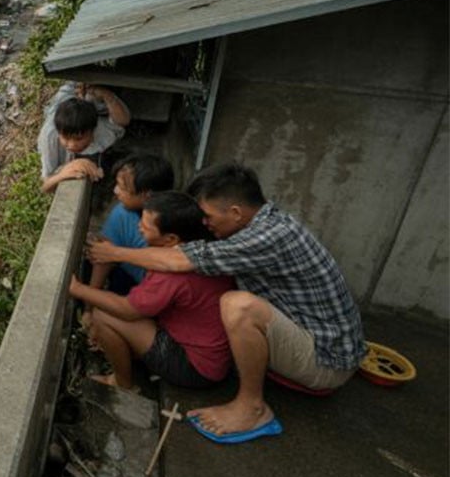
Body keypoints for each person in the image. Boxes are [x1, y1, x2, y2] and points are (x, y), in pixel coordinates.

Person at [87, 162, 367, 444]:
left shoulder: (264, 237)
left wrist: (114, 253)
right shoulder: (265, 221)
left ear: (235, 212)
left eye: (207, 215)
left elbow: (179, 258)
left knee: (238, 306)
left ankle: (252, 407)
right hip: (316, 339)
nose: (204, 223)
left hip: (327, 360)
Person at [70, 192, 234, 391]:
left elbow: (126, 309)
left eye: (146, 227)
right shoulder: (202, 250)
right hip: (212, 356)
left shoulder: (172, 273)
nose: (139, 228)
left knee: (103, 316)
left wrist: (78, 289)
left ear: (170, 238)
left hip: (195, 366)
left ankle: (123, 384)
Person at [89, 153, 175, 296]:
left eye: (123, 188)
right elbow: (103, 257)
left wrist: (88, 303)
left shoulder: (173, 223)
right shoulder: (122, 213)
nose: (115, 191)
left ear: (147, 195)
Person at [37, 81, 130, 194]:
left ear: (93, 131)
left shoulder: (100, 129)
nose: (71, 145)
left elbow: (123, 121)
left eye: (79, 138)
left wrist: (106, 95)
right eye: (65, 138)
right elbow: (46, 186)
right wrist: (65, 172)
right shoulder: (50, 136)